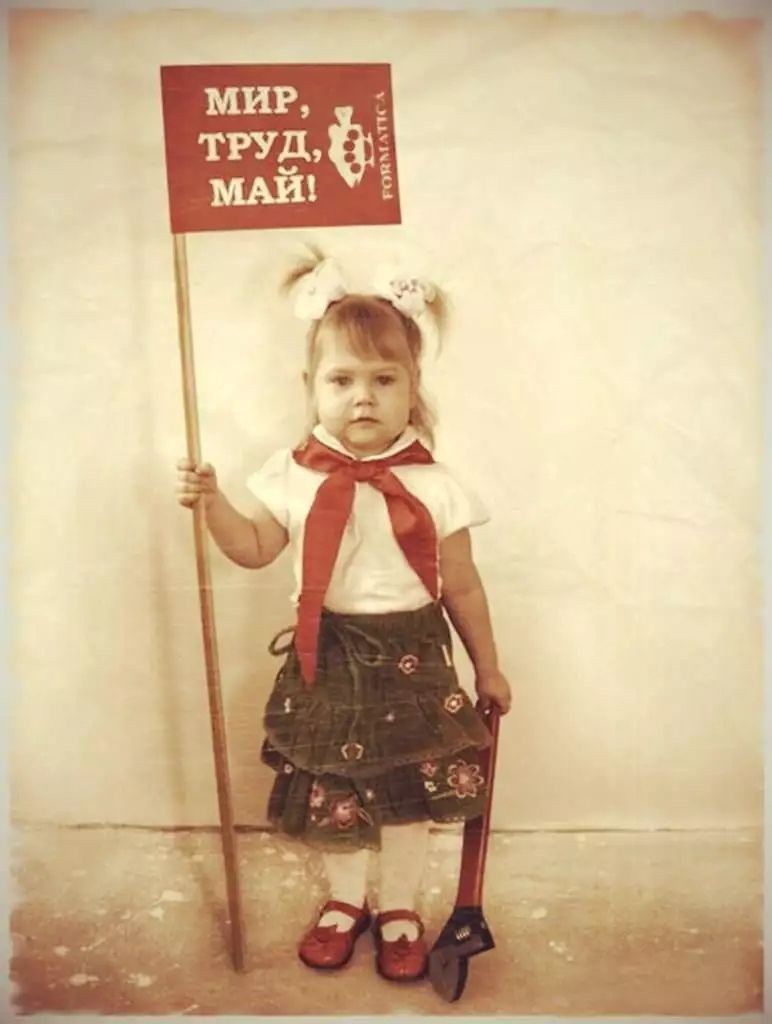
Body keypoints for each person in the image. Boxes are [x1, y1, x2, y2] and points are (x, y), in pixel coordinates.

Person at [176, 250, 512, 983]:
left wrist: (488, 667)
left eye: (384, 380)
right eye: (342, 380)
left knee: (407, 795)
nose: (363, 398)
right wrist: (214, 505)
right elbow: (254, 549)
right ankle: (345, 901)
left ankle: (399, 908)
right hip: (327, 655)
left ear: (413, 387)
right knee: (338, 790)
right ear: (311, 386)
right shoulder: (293, 473)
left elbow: (462, 585)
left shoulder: (436, 484)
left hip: (414, 660)